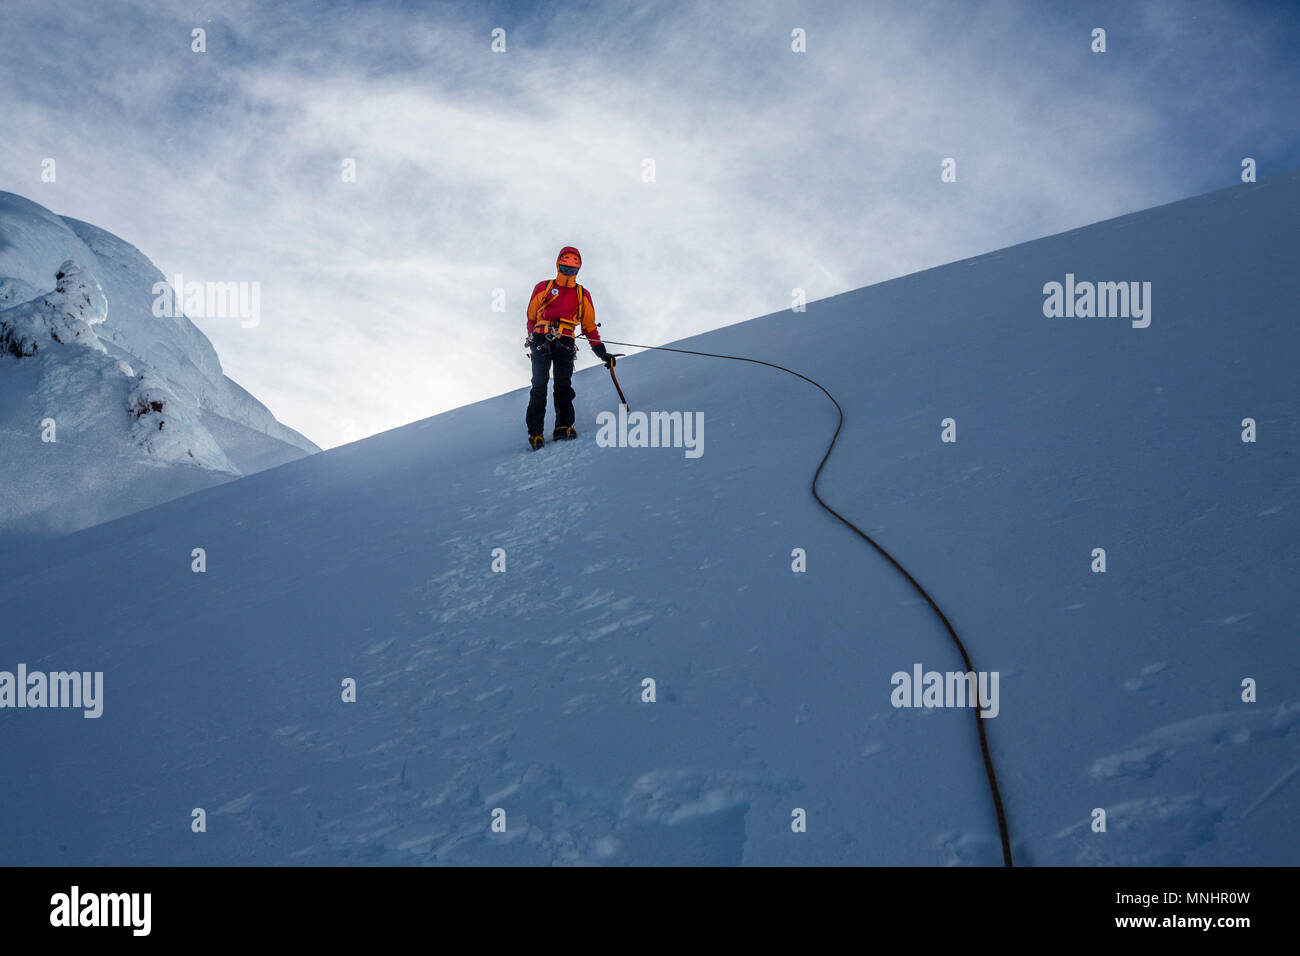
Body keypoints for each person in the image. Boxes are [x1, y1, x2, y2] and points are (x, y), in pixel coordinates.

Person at [523, 246, 614, 449]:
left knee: (560, 385)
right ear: (558, 264)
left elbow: (590, 327)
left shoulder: (582, 294)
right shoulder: (543, 287)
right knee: (540, 386)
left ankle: (562, 427)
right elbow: (531, 317)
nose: (568, 271)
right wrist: (533, 336)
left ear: (578, 270)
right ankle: (537, 432)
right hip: (543, 339)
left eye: (573, 268)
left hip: (562, 341)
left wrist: (602, 353)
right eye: (565, 266)